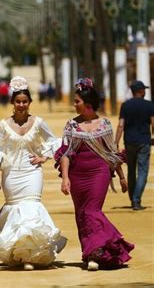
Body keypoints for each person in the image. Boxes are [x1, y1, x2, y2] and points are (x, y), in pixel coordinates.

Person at [0, 76, 67, 270]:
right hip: (11, 175)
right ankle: (19, 254)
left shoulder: (38, 122)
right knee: (16, 209)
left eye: (25, 102)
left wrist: (44, 157)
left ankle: (31, 256)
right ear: (12, 103)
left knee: (31, 207)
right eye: (18, 102)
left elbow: (54, 141)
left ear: (29, 103)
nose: (21, 105)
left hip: (32, 172)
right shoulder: (3, 125)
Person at [55, 78, 134, 271]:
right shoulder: (71, 125)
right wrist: (65, 178)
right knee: (81, 214)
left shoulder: (104, 124)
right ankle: (91, 253)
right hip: (77, 175)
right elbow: (65, 153)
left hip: (99, 172)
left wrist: (122, 176)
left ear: (88, 105)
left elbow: (112, 154)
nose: (74, 104)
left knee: (92, 210)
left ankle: (101, 248)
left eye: (77, 101)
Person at [115, 80, 154, 210]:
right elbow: (153, 123)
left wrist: (115, 142)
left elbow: (121, 125)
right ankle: (136, 200)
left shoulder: (125, 105)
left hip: (129, 142)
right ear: (141, 91)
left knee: (131, 171)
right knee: (142, 171)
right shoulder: (149, 105)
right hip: (144, 141)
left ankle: (133, 198)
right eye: (144, 90)